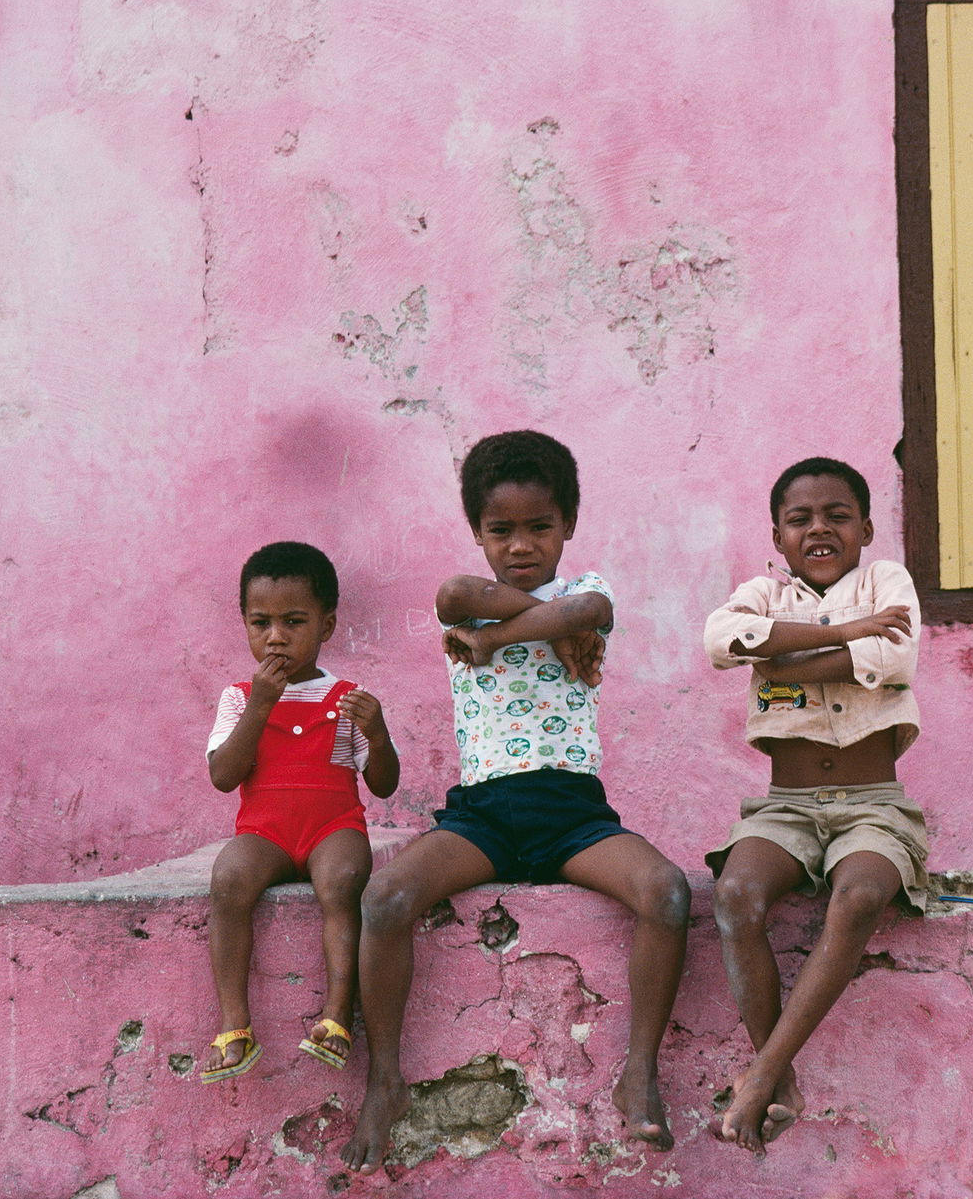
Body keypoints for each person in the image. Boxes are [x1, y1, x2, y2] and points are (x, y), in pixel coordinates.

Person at [340, 430, 690, 1173]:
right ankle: (384, 1079)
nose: (522, 544)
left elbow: (586, 609)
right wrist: (552, 629)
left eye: (540, 526)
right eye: (502, 530)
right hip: (485, 816)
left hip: (573, 816)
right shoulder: (467, 599)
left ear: (568, 524)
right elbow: (454, 597)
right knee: (384, 898)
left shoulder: (588, 594)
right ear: (477, 532)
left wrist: (501, 639)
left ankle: (639, 1070)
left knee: (665, 891)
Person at [702, 457, 927, 1153]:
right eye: (800, 518)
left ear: (865, 527)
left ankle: (761, 1073)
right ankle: (783, 1077)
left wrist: (779, 659)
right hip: (785, 808)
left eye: (836, 515)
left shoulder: (887, 582)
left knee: (858, 896)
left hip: (873, 807)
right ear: (778, 534)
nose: (819, 527)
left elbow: (894, 657)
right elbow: (724, 641)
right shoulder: (761, 593)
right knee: (736, 893)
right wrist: (842, 633)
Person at [201, 541, 400, 1084]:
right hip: (263, 831)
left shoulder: (347, 697)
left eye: (294, 621)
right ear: (243, 624)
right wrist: (263, 703)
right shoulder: (240, 698)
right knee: (229, 879)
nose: (276, 637)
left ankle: (336, 1016)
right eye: (260, 622)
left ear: (327, 624)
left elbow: (383, 785)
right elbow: (224, 776)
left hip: (332, 825)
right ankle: (234, 1024)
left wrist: (377, 734)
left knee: (342, 880)